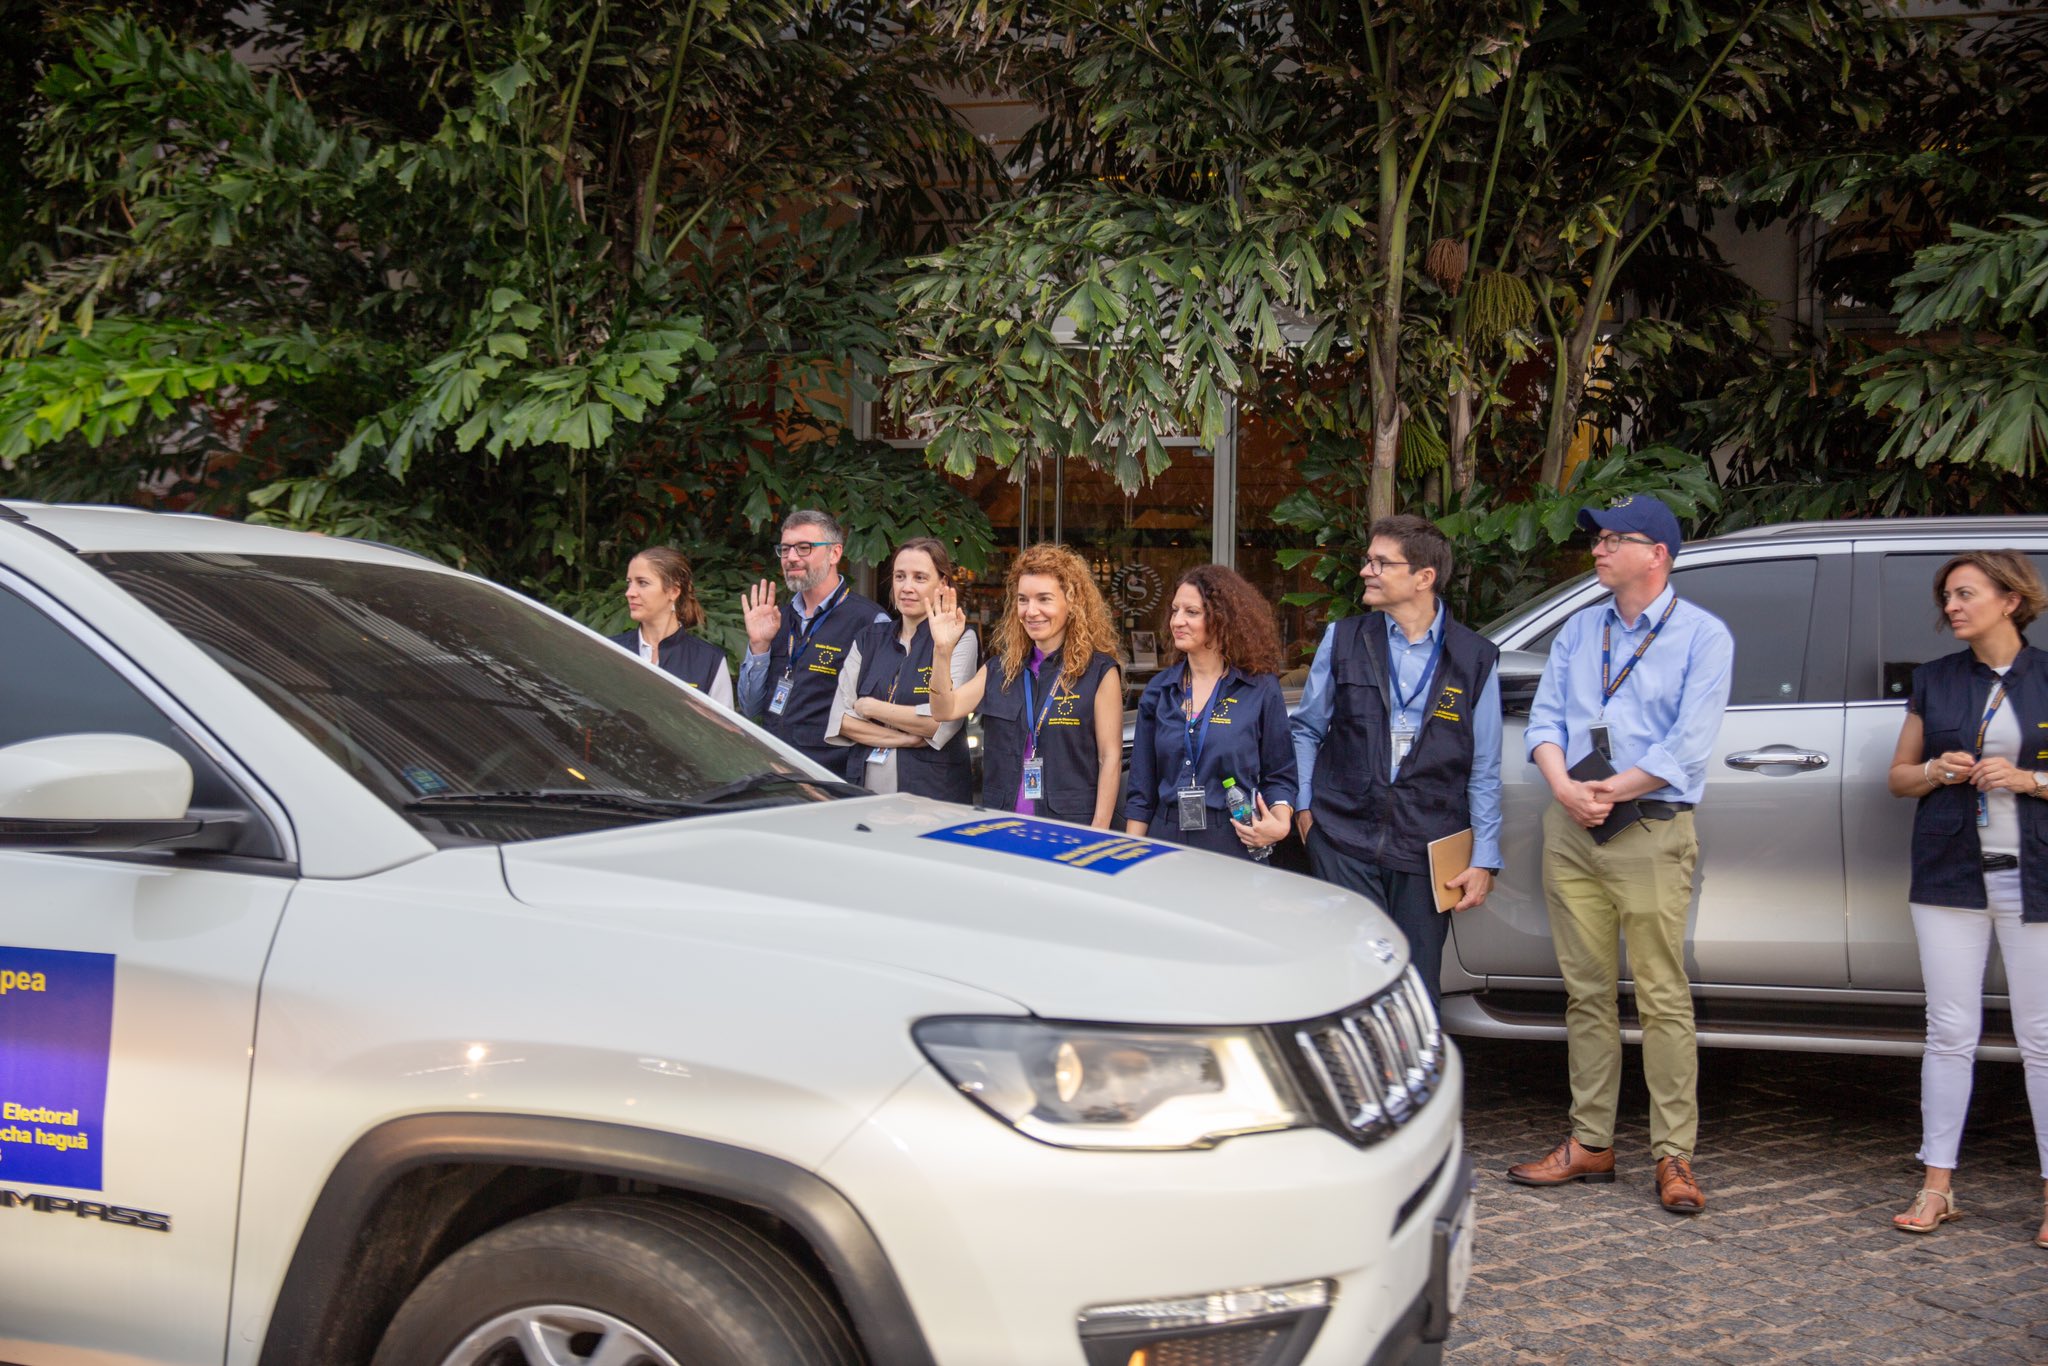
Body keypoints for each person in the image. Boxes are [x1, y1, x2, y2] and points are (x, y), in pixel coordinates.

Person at [1505, 493, 1732, 1215]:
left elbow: (1686, 748)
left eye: (1613, 539)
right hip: (1573, 828)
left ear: (1656, 554)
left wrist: (1608, 788)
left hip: (1650, 826)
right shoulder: (1580, 630)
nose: (1598, 550)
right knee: (1586, 995)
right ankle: (1590, 1143)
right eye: (1597, 539)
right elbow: (1544, 719)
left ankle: (1674, 1156)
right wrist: (1564, 786)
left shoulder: (1703, 636)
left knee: (1664, 996)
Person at [1884, 550, 2048, 1245]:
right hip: (1950, 874)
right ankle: (1936, 1186)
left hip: (2035, 876)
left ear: (2011, 599)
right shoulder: (1936, 680)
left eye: (1964, 593)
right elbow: (1897, 778)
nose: (1950, 606)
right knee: (1950, 1032)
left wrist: (2029, 780)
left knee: (2042, 1038)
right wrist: (1934, 769)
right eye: (1946, 596)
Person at [1289, 515, 1503, 1005]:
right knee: (1346, 982)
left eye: (1381, 562)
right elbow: (1305, 730)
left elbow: (1483, 766)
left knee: (1415, 987)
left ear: (1423, 577)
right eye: (1369, 560)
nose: (1367, 570)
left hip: (1426, 849)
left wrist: (1485, 857)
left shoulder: (1474, 658)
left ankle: (1411, 1078)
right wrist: (1307, 814)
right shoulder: (1344, 639)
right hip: (1342, 837)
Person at [926, 542, 1123, 827]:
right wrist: (942, 651)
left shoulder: (1099, 672)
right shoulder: (1000, 669)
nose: (1031, 611)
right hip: (1002, 822)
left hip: (1068, 826)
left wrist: (1099, 833)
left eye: (1044, 599)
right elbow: (943, 710)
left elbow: (1110, 758)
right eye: (1023, 599)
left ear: (1072, 602)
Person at [1124, 565, 1297, 859]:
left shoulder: (1259, 688)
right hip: (1166, 835)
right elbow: (1141, 790)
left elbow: (1280, 774)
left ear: (1221, 618)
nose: (1177, 621)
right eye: (1175, 610)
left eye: (1192, 612)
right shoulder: (1159, 690)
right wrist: (1131, 853)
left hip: (1233, 835)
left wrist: (1280, 823)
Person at [737, 509, 891, 778]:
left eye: (804, 548)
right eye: (785, 550)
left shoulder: (870, 622)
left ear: (834, 553)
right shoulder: (777, 618)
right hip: (775, 770)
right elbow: (751, 708)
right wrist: (759, 646)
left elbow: (879, 713)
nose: (792, 558)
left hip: (832, 777)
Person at [825, 538, 976, 801]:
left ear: (942, 584)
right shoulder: (868, 638)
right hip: (865, 793)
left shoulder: (960, 638)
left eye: (919, 578)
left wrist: (871, 708)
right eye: (899, 576)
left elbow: (939, 722)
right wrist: (905, 738)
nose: (907, 587)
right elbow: (842, 721)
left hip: (931, 797)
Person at [610, 546, 734, 708]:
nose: (630, 592)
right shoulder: (611, 650)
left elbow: (721, 731)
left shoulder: (709, 660)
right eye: (629, 583)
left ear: (673, 591)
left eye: (642, 583)